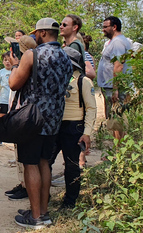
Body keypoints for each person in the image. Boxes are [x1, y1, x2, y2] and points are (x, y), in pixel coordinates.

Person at [8, 18, 72, 229]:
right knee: (45, 162)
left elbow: (14, 84)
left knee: (30, 163)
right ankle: (43, 212)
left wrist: (16, 66)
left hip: (33, 118)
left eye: (36, 33)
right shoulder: (66, 55)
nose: (34, 36)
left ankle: (35, 217)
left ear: (43, 33)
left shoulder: (32, 55)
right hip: (55, 117)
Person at [49, 47, 97, 209]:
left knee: (71, 165)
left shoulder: (83, 81)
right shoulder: (57, 78)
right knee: (45, 161)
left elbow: (91, 108)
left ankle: (70, 202)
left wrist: (87, 133)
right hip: (55, 126)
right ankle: (44, 197)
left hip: (73, 127)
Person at [2, 35, 37, 201]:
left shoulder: (24, 66)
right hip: (20, 113)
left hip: (23, 115)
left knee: (25, 157)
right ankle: (22, 184)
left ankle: (26, 187)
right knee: (20, 156)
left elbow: (13, 84)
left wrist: (16, 65)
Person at [97, 16, 132, 140]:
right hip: (110, 87)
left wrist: (115, 88)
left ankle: (119, 150)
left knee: (116, 117)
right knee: (114, 117)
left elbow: (118, 66)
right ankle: (118, 148)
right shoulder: (116, 41)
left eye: (106, 27)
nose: (103, 30)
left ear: (114, 27)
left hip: (113, 88)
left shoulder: (118, 42)